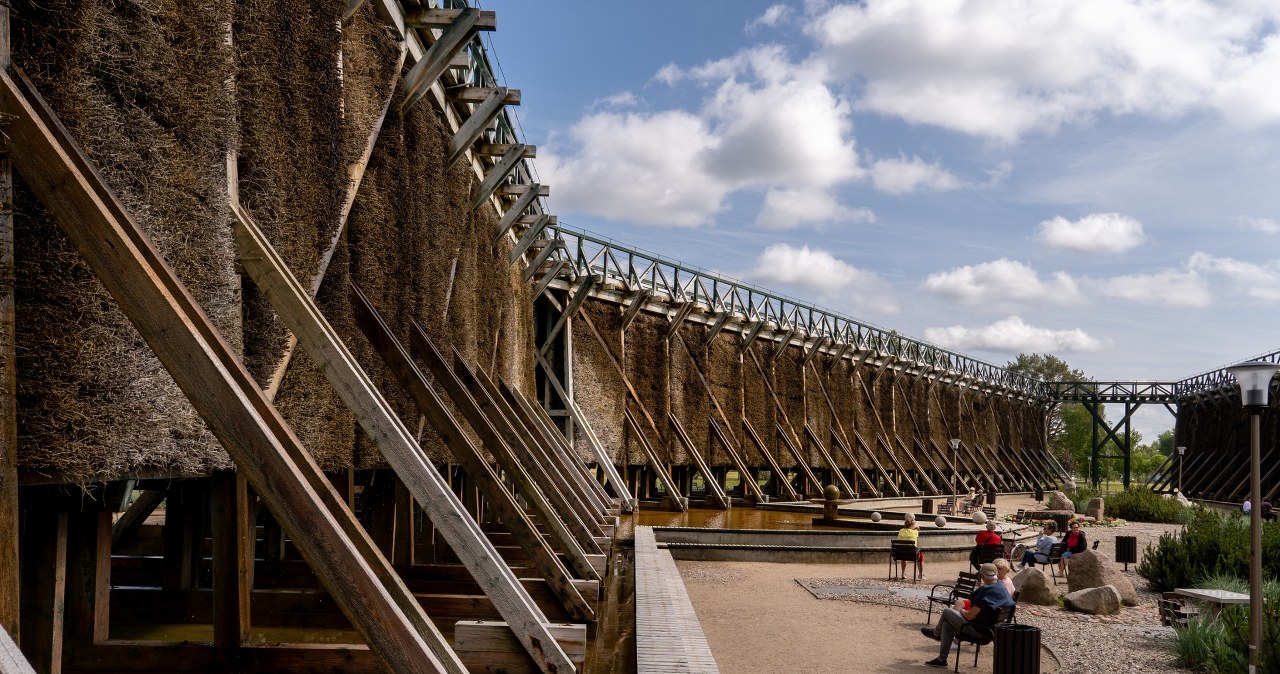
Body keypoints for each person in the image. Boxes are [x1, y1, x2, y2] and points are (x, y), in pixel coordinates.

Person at [919, 562, 1015, 668]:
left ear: (982, 576)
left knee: (947, 612)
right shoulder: (1001, 587)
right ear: (996, 573)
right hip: (994, 630)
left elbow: (970, 616)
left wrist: (961, 610)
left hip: (980, 631)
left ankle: (936, 634)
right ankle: (942, 659)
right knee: (947, 624)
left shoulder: (985, 592)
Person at [897, 514, 925, 580]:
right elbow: (917, 531)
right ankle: (921, 574)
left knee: (904, 555)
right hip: (913, 554)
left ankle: (903, 573)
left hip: (900, 554)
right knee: (921, 556)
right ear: (912, 525)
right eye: (914, 524)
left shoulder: (901, 531)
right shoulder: (915, 532)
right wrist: (916, 528)